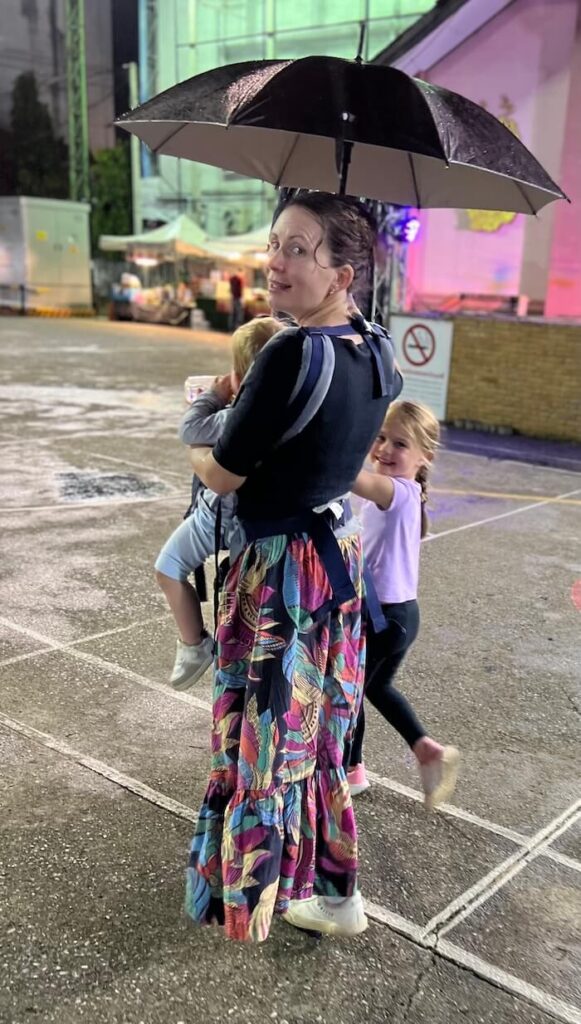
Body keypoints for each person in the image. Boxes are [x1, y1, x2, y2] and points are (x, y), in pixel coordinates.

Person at [184, 191, 403, 943]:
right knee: (316, 737)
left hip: (277, 572)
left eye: (299, 249)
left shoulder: (288, 353)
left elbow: (219, 473)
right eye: (276, 244)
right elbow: (338, 455)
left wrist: (189, 430)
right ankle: (338, 895)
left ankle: (251, 898)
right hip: (333, 563)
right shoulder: (375, 347)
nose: (275, 261)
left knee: (267, 738)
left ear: (342, 272)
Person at [155, 317, 283, 691]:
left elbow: (189, 429)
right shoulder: (283, 411)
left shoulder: (237, 417)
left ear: (243, 377)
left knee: (168, 568)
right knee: (247, 604)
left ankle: (195, 645)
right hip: (254, 519)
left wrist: (215, 393)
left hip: (221, 514)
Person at [347, 400, 460, 809]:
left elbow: (347, 476)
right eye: (379, 437)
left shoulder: (395, 492)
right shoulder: (403, 495)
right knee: (375, 686)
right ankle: (425, 748)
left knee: (349, 692)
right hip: (399, 616)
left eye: (399, 443)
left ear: (423, 458)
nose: (384, 449)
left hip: (385, 618)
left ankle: (350, 772)